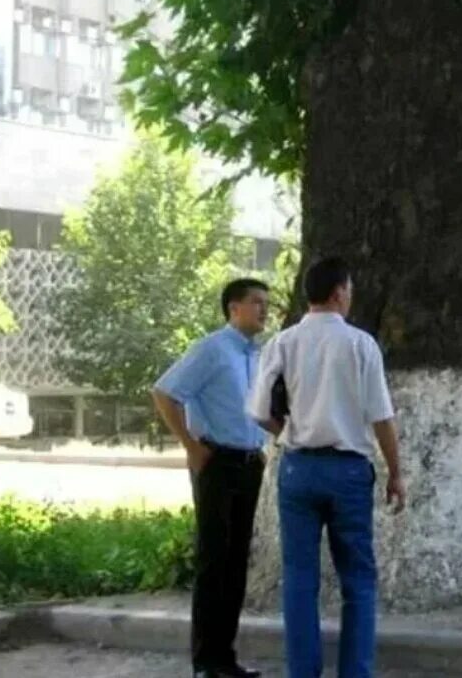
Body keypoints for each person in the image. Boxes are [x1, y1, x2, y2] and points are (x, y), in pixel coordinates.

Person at [248, 256, 405, 678]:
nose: (350, 298)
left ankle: (303, 672)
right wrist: (395, 472)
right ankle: (355, 672)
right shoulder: (360, 344)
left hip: (298, 470)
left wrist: (286, 432)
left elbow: (259, 411)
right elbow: (381, 415)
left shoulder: (281, 343)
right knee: (358, 580)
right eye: (349, 290)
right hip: (348, 472)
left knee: (299, 578)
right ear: (338, 292)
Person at [151, 278, 270, 678]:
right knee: (214, 560)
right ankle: (205, 662)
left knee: (237, 562)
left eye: (266, 303)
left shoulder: (255, 355)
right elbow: (165, 392)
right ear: (233, 308)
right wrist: (191, 446)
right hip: (216, 462)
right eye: (256, 302)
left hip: (250, 463)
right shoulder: (212, 349)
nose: (264, 310)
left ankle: (226, 657)